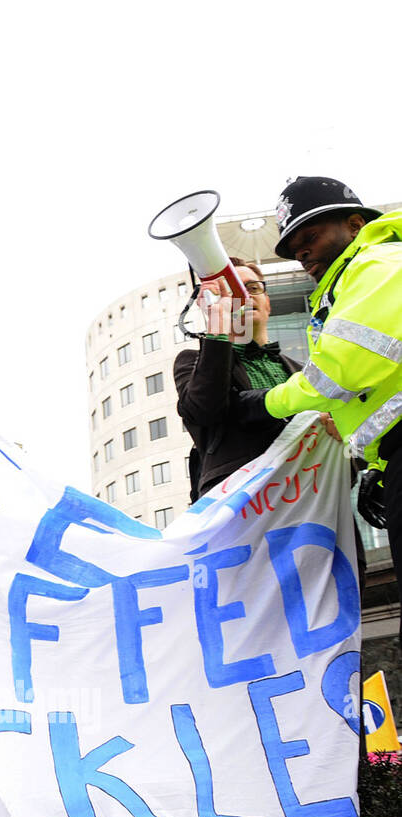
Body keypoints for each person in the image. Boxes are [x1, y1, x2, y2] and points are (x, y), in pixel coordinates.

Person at [253, 176, 401, 636]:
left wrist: (267, 401)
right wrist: (377, 466)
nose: (305, 254)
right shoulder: (350, 285)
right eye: (296, 249)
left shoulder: (379, 264)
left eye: (311, 237)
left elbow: (341, 369)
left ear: (356, 225)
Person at [173, 256, 302, 501]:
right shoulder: (190, 361)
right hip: (241, 503)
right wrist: (218, 326)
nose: (245, 296)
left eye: (253, 288)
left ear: (268, 303)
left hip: (311, 494)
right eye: (232, 290)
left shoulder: (303, 370)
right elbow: (204, 411)